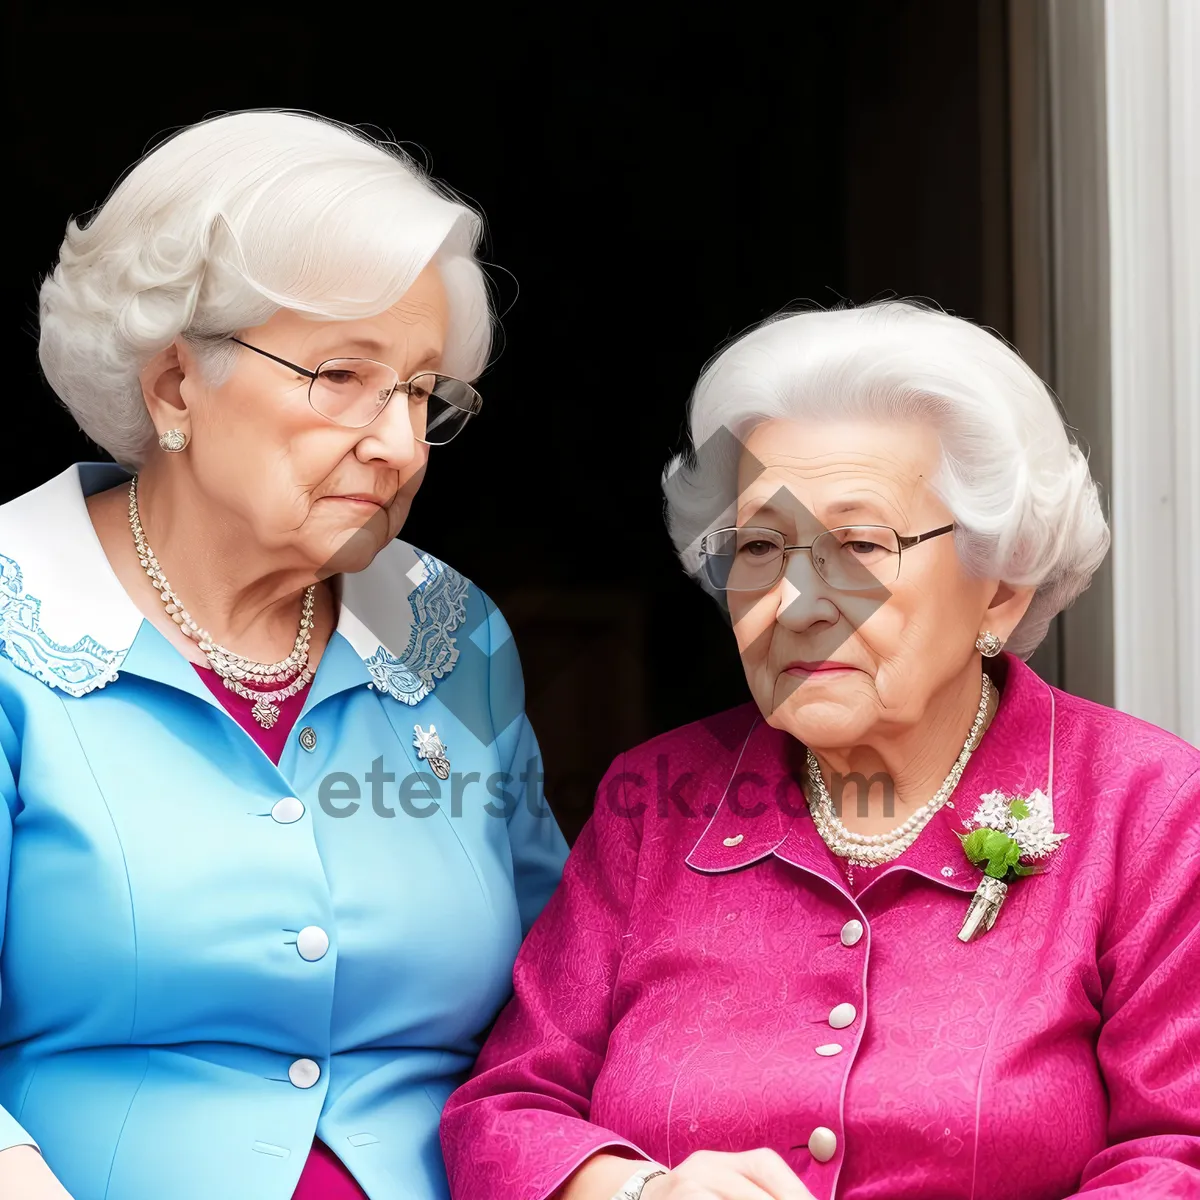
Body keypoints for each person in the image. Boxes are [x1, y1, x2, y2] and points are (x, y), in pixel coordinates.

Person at [440, 302, 1200, 1200]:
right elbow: (505, 1110)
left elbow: (1176, 1153)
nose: (795, 602)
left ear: (999, 587)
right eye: (760, 546)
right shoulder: (655, 797)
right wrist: (641, 1195)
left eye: (859, 544)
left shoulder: (1148, 806)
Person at [0, 109, 568, 1200]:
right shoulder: (17, 623)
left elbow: (560, 1009)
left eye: (418, 392)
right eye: (341, 376)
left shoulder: (451, 633)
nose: (398, 444)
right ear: (174, 386)